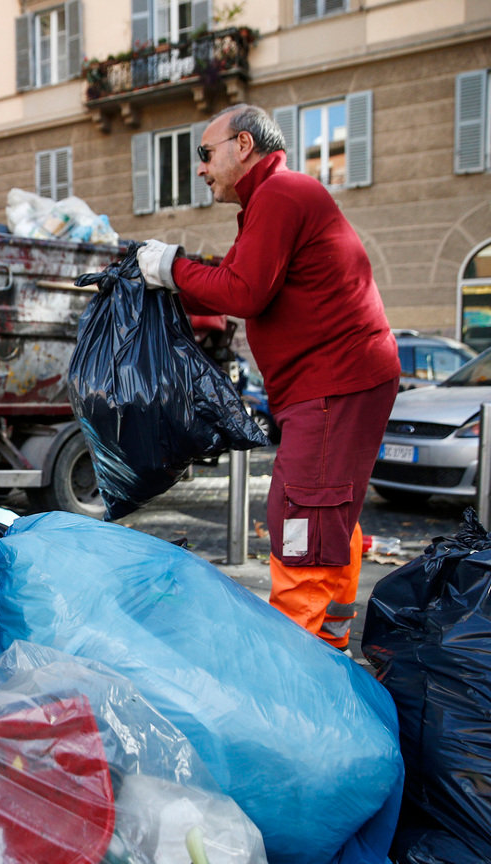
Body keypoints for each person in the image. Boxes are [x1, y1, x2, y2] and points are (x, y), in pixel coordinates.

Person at [136, 103, 400, 653]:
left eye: (206, 154)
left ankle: (293, 668)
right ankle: (329, 643)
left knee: (301, 512)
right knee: (327, 509)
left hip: (332, 381)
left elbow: (245, 291)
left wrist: (170, 267)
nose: (201, 169)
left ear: (243, 146)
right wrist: (184, 282)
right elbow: (239, 283)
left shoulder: (280, 194)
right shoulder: (274, 201)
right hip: (337, 379)